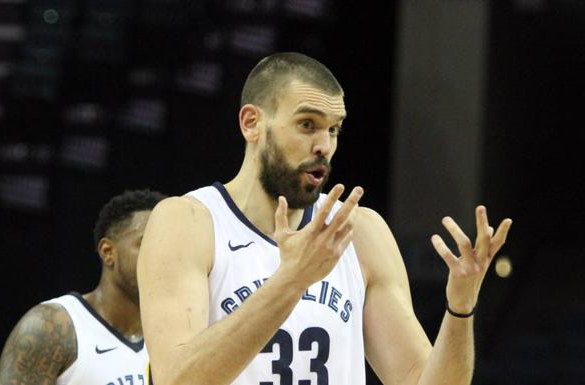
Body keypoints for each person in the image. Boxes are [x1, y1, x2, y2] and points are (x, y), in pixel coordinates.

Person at [138, 52, 513, 385]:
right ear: (252, 123)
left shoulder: (361, 232)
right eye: (307, 124)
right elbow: (177, 379)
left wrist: (460, 307)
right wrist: (291, 280)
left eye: (334, 128)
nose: (324, 145)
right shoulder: (187, 222)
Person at [0, 189, 165, 385]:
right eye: (148, 242)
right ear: (108, 252)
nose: (162, 255)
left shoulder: (178, 333)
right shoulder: (52, 327)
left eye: (168, 246)